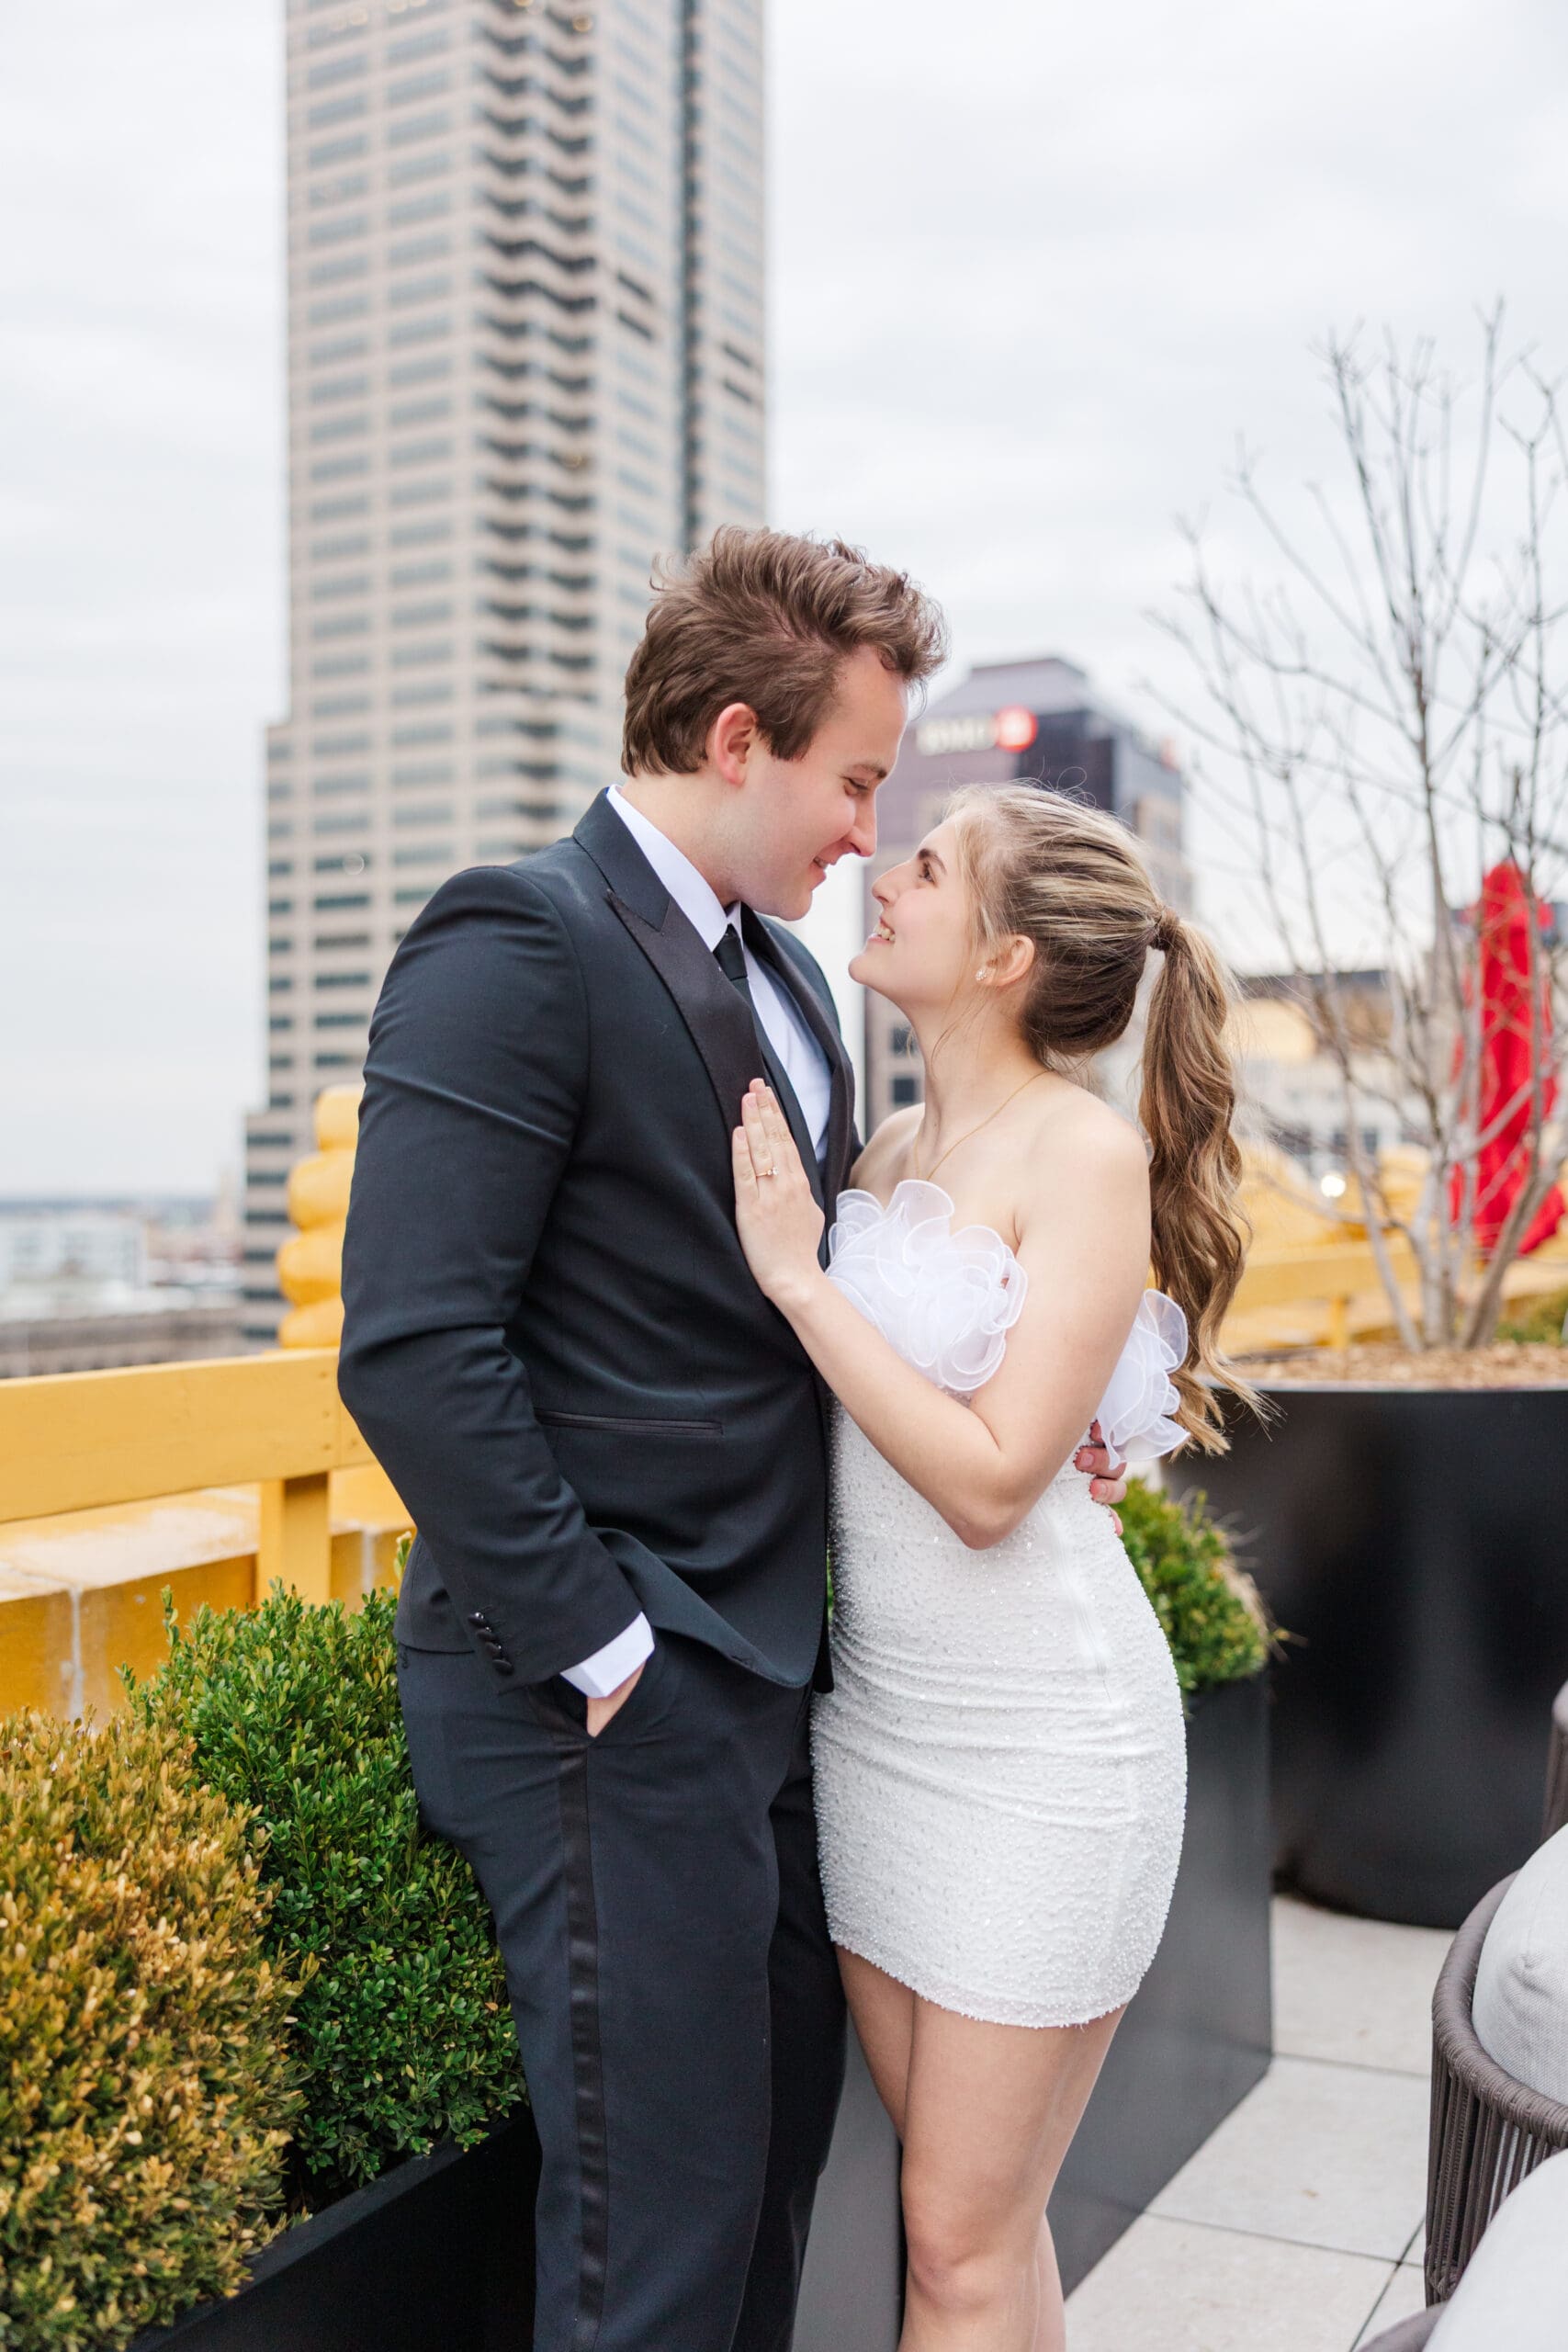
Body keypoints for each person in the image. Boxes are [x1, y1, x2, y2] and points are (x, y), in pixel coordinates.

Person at [337, 529, 1134, 2352]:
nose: (868, 826)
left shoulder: (794, 988)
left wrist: (1029, 1393)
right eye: (854, 778)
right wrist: (609, 1651)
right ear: (728, 739)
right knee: (658, 2253)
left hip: (780, 1696)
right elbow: (411, 1345)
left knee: (764, 2214)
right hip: (607, 1701)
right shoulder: (513, 934)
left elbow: (814, 1312)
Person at [731, 782, 1258, 2352]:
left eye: (933, 866)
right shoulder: (886, 1135)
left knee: (952, 2252)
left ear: (1006, 953)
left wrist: (794, 1279)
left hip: (1045, 1750)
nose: (886, 874)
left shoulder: (1081, 1151)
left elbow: (990, 1484)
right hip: (885, 1738)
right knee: (979, 2230)